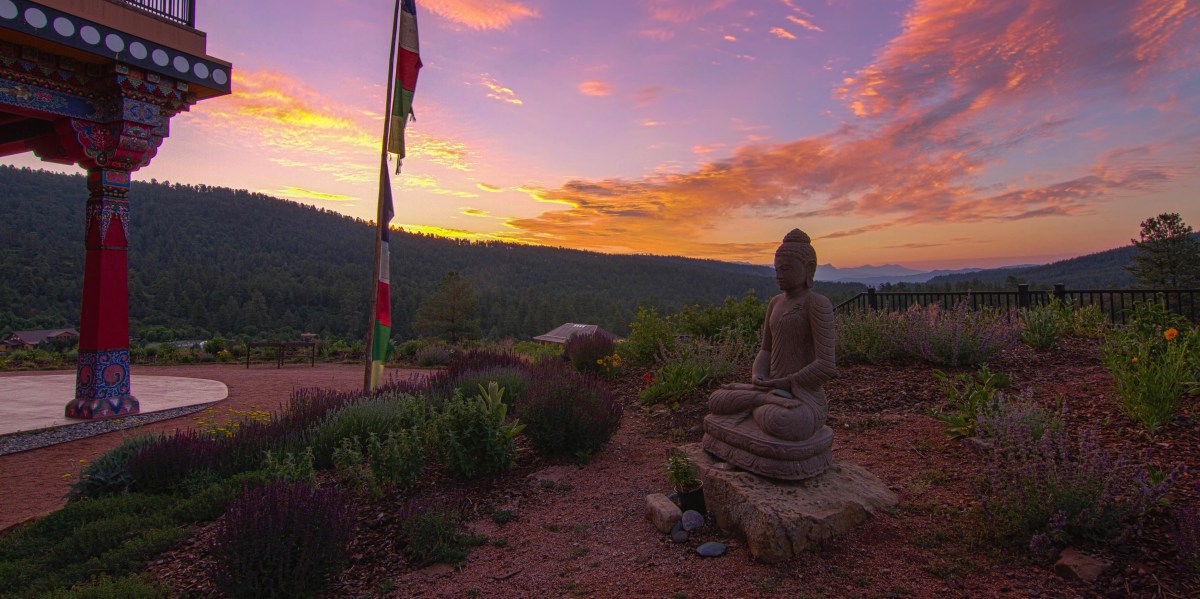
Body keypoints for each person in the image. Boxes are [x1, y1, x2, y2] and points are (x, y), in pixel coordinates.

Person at [702, 228, 837, 480]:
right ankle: (760, 402)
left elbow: (826, 364)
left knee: (784, 422)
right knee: (717, 400)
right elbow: (765, 349)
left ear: (808, 268)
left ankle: (757, 406)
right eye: (776, 269)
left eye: (785, 269)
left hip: (802, 398)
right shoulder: (775, 303)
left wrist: (787, 382)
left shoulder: (816, 304)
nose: (779, 275)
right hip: (769, 391)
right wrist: (758, 374)